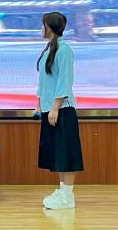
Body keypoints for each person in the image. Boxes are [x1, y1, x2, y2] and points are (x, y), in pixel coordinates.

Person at [35, 12, 85, 209]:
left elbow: (64, 80)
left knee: (66, 153)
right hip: (49, 109)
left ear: (50, 27)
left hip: (62, 109)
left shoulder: (64, 50)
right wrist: (40, 103)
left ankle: (67, 195)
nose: (41, 29)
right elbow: (44, 80)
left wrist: (55, 107)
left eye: (43, 25)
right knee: (58, 154)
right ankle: (63, 191)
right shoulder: (49, 49)